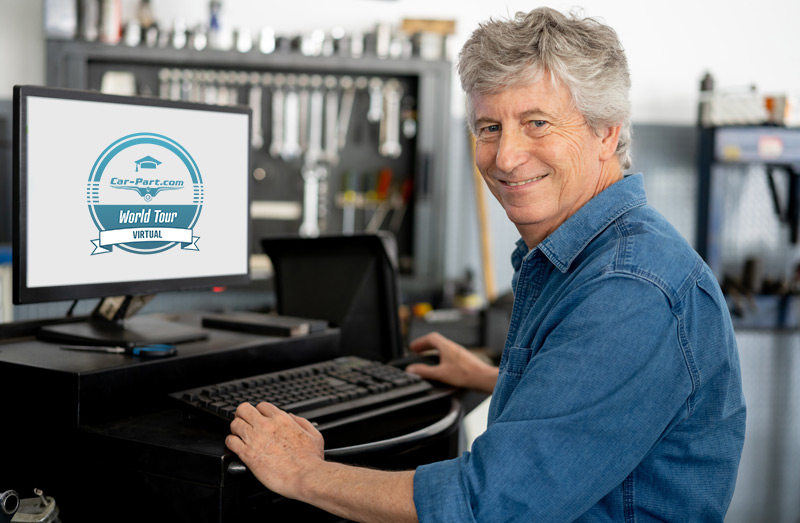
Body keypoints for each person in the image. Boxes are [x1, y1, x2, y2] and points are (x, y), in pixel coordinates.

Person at [225, 7, 746, 521]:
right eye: (489, 127)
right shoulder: (586, 257)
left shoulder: (629, 290)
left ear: (606, 132)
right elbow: (600, 406)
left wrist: (302, 474)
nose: (505, 156)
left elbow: (488, 506)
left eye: (537, 123)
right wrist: (497, 378)